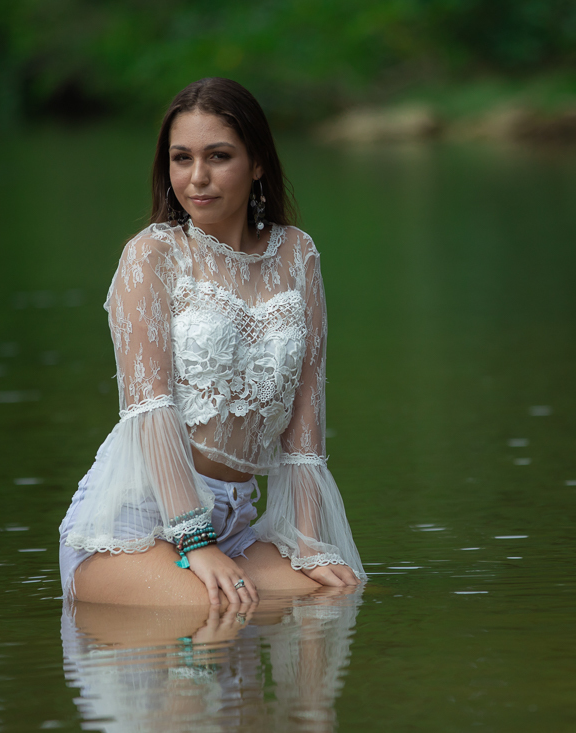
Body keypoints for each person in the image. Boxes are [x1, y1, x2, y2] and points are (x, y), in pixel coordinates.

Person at [57, 78, 366, 607]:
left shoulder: (296, 255)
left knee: (335, 594)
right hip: (137, 526)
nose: (196, 178)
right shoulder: (152, 255)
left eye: (218, 156)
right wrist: (194, 540)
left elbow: (306, 417)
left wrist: (312, 544)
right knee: (219, 610)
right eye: (182, 159)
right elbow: (149, 408)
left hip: (235, 525)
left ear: (259, 163)